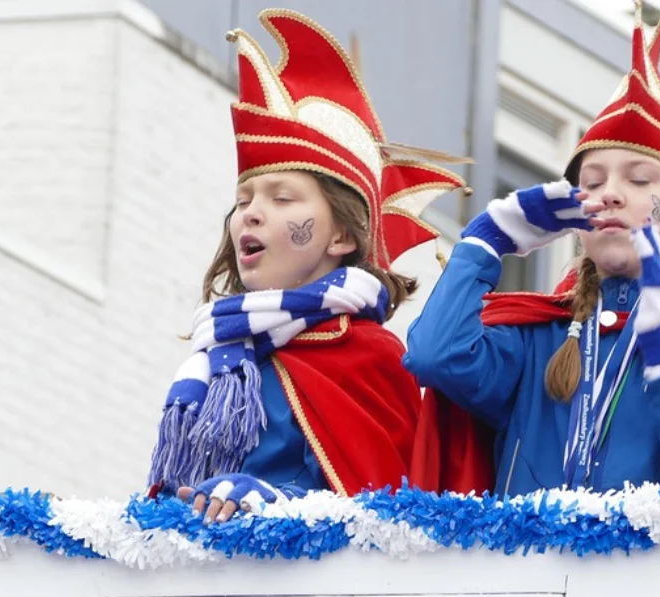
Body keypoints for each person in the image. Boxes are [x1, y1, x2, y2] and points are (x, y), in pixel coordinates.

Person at [404, 0, 660, 497]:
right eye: (592, 181)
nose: (609, 193)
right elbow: (435, 358)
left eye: (638, 179)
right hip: (528, 575)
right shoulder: (536, 337)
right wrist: (485, 239)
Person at [145, 9, 468, 521]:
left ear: (340, 235)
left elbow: (383, 517)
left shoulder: (370, 355)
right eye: (245, 197)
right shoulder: (221, 351)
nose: (250, 212)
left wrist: (275, 502)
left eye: (282, 198)